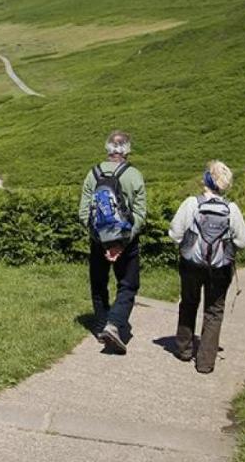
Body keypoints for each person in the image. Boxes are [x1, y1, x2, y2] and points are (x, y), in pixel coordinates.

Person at [168, 161, 245, 373]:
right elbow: (243, 241)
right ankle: (205, 362)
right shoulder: (231, 209)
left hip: (191, 264)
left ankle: (184, 350)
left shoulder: (191, 203)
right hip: (220, 267)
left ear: (206, 179)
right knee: (214, 311)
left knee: (188, 303)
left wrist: (190, 241)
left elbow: (174, 234)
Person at [78, 130, 147, 354]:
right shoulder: (134, 175)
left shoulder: (93, 174)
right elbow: (140, 214)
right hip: (126, 242)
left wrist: (103, 242)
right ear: (127, 150)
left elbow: (83, 214)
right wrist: (121, 243)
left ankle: (100, 326)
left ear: (107, 148)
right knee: (128, 285)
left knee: (99, 283)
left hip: (97, 240)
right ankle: (114, 324)